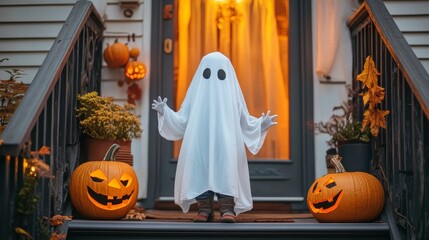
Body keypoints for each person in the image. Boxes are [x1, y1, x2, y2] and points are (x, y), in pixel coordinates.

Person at [152, 52, 277, 223]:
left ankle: (227, 208)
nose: (213, 80)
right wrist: (165, 112)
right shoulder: (196, 95)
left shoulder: (232, 94)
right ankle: (204, 208)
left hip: (227, 142)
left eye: (220, 74)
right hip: (199, 141)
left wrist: (260, 125)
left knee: (226, 170)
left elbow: (244, 119)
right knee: (200, 170)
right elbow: (183, 118)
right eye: (207, 73)